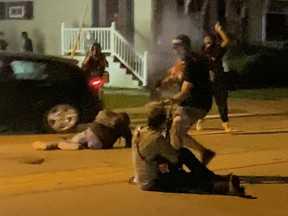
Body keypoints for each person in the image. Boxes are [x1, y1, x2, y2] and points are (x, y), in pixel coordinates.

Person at [131, 106, 245, 196]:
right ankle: (221, 185)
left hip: (145, 174)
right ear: (162, 123)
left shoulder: (140, 131)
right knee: (187, 172)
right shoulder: (156, 138)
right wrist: (167, 130)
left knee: (184, 158)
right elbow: (174, 158)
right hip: (154, 180)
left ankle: (213, 178)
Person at [148, 34, 215, 166]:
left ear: (185, 48)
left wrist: (163, 103)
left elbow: (184, 93)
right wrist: (161, 84)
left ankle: (176, 163)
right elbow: (173, 77)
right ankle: (202, 153)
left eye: (178, 48)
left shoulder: (192, 64)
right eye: (174, 48)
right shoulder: (183, 63)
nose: (176, 51)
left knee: (176, 127)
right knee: (175, 131)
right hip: (189, 103)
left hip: (198, 104)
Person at [33, 109, 132, 150]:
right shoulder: (124, 129)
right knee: (82, 142)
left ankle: (54, 144)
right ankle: (79, 145)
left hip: (91, 134)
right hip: (101, 145)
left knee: (75, 139)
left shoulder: (106, 117)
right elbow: (129, 142)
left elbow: (97, 120)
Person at [196, 22, 231, 132]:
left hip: (219, 79)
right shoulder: (201, 52)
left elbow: (226, 41)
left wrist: (220, 30)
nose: (207, 40)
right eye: (206, 39)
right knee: (205, 102)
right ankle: (200, 120)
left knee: (222, 102)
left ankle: (225, 123)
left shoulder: (217, 49)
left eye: (210, 39)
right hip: (206, 81)